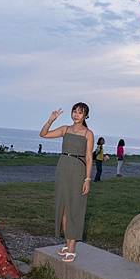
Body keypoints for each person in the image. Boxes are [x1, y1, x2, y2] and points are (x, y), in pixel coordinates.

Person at [40, 102, 94, 263]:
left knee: (74, 208)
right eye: (75, 111)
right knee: (63, 207)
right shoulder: (65, 129)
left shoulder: (88, 133)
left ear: (85, 116)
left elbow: (89, 157)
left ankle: (72, 247)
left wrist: (87, 179)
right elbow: (43, 134)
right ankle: (67, 242)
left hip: (78, 169)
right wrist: (51, 120)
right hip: (63, 167)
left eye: (80, 112)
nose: (76, 114)